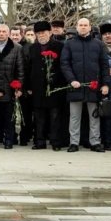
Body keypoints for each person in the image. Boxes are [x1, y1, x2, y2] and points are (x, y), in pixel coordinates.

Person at [61, 17, 110, 152]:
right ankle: (74, 143)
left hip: (93, 86)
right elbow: (64, 64)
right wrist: (72, 80)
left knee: (94, 116)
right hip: (75, 86)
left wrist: (105, 84)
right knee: (75, 116)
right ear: (77, 27)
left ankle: (95, 142)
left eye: (85, 25)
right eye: (80, 25)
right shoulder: (69, 44)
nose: (83, 27)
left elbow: (104, 66)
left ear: (90, 27)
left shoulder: (98, 44)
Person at [21, 21, 67, 150]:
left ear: (50, 33)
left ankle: (55, 142)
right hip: (37, 88)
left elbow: (63, 66)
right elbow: (27, 68)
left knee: (55, 116)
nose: (41, 35)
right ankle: (39, 141)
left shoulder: (59, 46)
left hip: (54, 87)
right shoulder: (32, 48)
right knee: (39, 117)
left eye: (44, 33)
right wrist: (28, 87)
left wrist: (56, 80)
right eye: (38, 33)